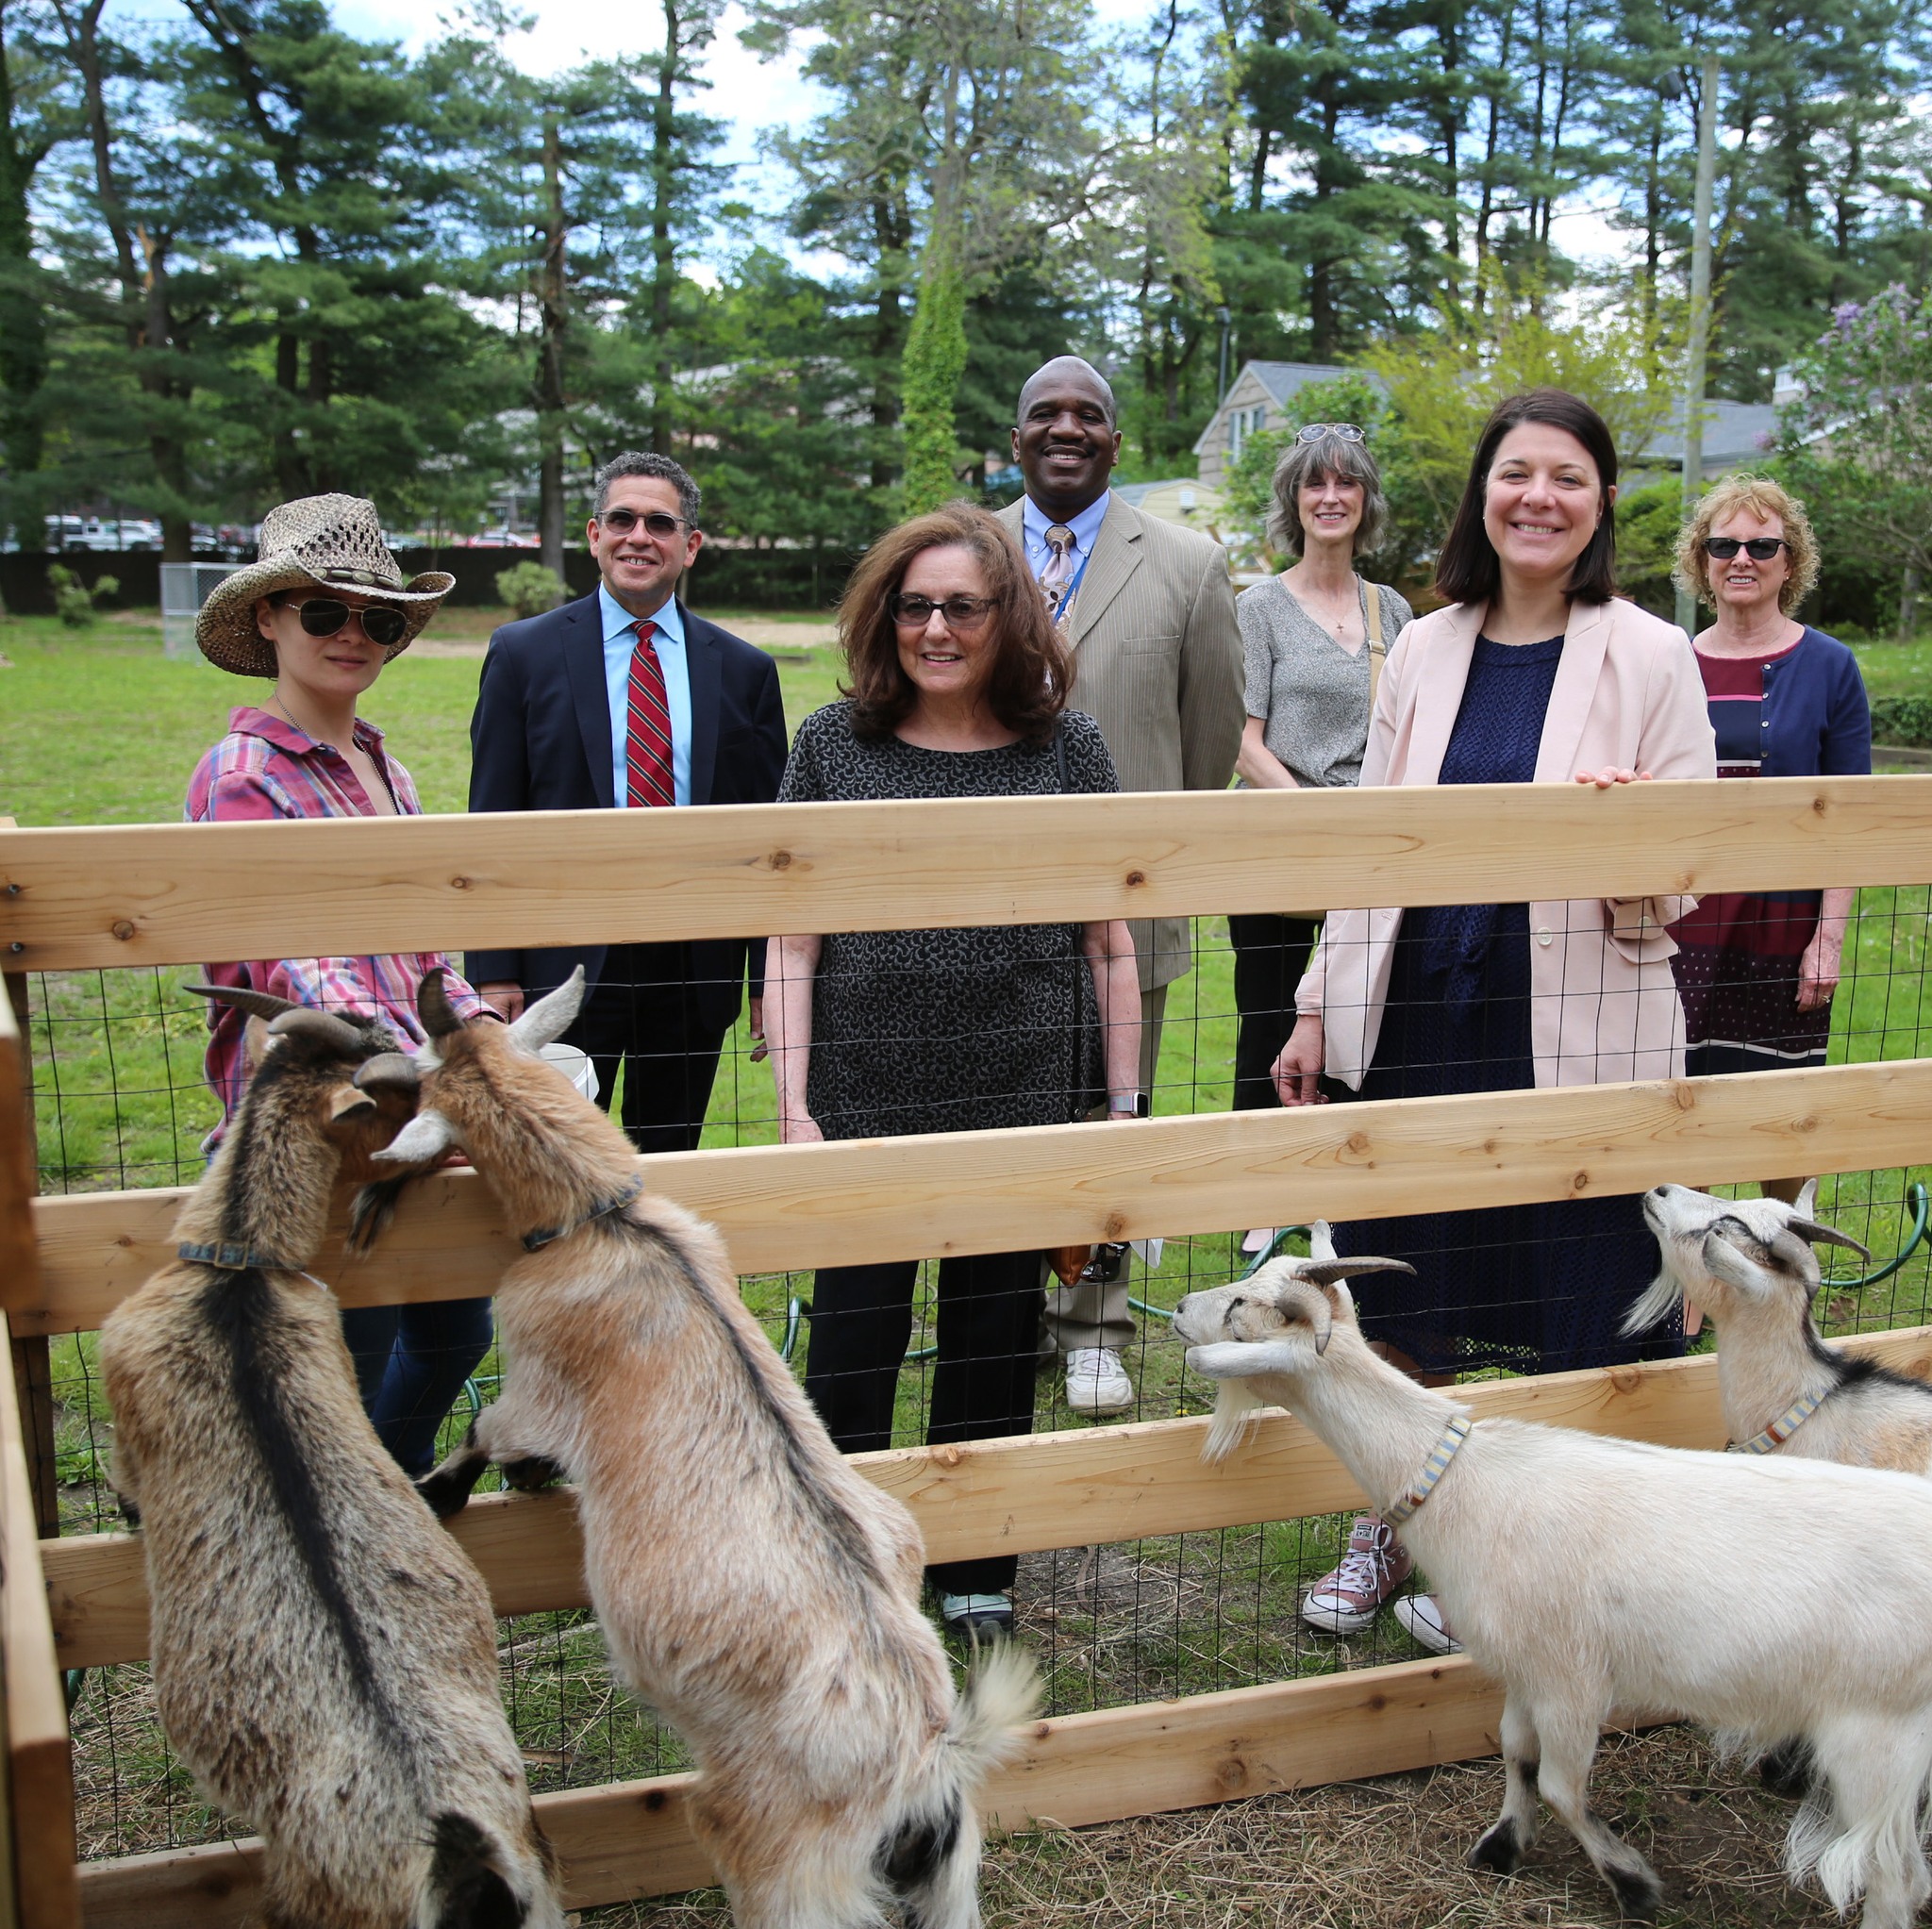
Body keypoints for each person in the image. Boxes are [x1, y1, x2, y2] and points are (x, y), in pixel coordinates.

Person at [1271, 390, 1716, 1655]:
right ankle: (1396, 1525)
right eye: (1516, 473)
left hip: (1575, 1024)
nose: (1538, 498)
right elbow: (1374, 846)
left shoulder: (1651, 652)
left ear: (1603, 503)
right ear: (1483, 493)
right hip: (1419, 1006)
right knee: (1404, 1279)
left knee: (1574, 1285)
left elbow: (1681, 877)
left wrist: (1625, 835)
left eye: (1568, 477)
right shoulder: (1423, 644)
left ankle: (1533, 1561)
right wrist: (1314, 1004)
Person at [767, 502, 1141, 1638]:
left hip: (1022, 1086)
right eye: (914, 605)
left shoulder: (1064, 747)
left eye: (961, 606)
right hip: (865, 1091)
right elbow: (790, 935)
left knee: (990, 1336)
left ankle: (976, 1575)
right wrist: (791, 1107)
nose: (935, 627)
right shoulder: (835, 744)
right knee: (852, 1344)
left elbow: (1106, 936)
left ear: (1006, 617)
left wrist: (1119, 1108)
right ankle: (846, 1573)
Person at [185, 491, 495, 1477]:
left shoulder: (382, 766)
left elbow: (421, 949)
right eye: (323, 610)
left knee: (457, 1328)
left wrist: (481, 1036)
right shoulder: (241, 771)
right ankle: (348, 1507)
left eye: (378, 616)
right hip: (329, 1120)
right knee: (347, 1348)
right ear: (270, 617)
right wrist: (426, 1082)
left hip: (414, 1108)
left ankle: (381, 1483)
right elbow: (294, 959)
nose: (351, 633)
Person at [997, 355, 1244, 1417]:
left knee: (1112, 1110)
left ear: (1115, 439)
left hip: (1124, 903)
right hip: (983, 902)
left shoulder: (1188, 565)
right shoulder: (961, 550)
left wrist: (1153, 859)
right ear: (1015, 438)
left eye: (1086, 414)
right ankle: (999, 1311)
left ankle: (1093, 1320)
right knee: (997, 1112)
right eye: (1044, 413)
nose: (1065, 428)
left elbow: (1212, 738)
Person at [465, 452, 788, 1153]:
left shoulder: (744, 673)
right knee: (551, 1167)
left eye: (660, 523)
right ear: (594, 534)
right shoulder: (523, 656)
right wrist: (494, 969)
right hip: (560, 969)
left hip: (690, 973)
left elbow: (767, 837)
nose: (639, 535)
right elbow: (490, 819)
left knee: (666, 1167)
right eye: (622, 518)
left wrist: (769, 976)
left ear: (690, 545)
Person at [1231, 424, 1413, 1253]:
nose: (1331, 497)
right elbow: (1242, 738)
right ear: (1294, 500)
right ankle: (1264, 1192)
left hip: (1366, 851)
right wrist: (1313, 815)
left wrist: (1363, 830)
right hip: (1277, 845)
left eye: (1347, 484)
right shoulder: (1259, 607)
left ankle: (1331, 1190)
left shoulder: (1394, 611)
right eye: (1315, 485)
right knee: (1269, 1012)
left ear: (1367, 501)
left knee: (1353, 1011)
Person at [1668, 474, 1870, 1205]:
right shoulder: (1671, 661)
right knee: (1685, 1109)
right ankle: (1686, 1304)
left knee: (1781, 1118)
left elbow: (1851, 816)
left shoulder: (1830, 666)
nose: (1741, 557)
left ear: (1791, 562)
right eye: (1724, 544)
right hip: (1682, 926)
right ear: (1702, 559)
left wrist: (1831, 937)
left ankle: (1782, 1292)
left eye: (1762, 544)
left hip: (1784, 929)